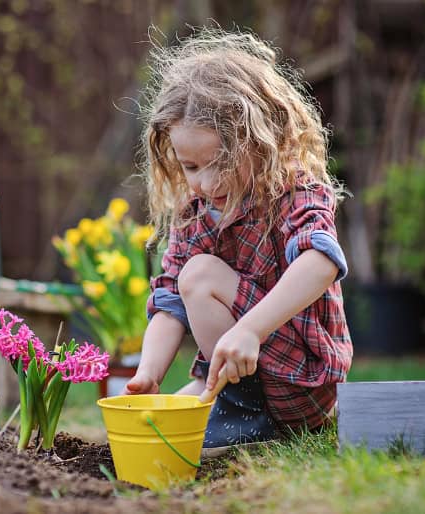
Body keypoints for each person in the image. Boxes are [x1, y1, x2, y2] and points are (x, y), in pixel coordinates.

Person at [124, 28, 353, 449]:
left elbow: (321, 260)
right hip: (241, 373)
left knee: (201, 276)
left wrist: (249, 329)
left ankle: (247, 412)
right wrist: (149, 372)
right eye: (191, 167)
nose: (206, 182)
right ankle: (238, 406)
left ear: (261, 142)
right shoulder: (194, 212)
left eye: (220, 163)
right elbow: (171, 299)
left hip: (301, 377)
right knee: (159, 427)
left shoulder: (294, 190)